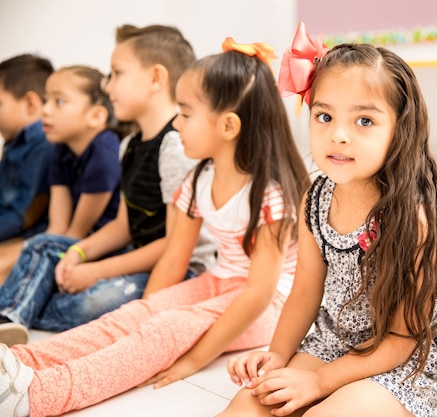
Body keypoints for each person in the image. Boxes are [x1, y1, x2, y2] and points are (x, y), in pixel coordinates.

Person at [0, 36, 310, 417]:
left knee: (168, 330)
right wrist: (148, 311)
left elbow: (258, 294)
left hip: (266, 304)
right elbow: (173, 259)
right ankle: (16, 362)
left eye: (185, 113)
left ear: (228, 125)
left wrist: (193, 358)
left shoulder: (269, 196)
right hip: (219, 280)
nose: (176, 124)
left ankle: (35, 396)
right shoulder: (199, 179)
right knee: (131, 316)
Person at [218, 23, 437, 417]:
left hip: (398, 359)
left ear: (399, 131)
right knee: (249, 406)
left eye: (364, 121)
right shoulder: (316, 198)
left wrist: (318, 382)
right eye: (324, 116)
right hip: (335, 340)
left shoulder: (409, 218)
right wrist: (277, 356)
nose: (338, 135)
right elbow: (303, 294)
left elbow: (403, 338)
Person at [0, 24, 209, 338]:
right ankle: (9, 316)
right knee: (44, 245)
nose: (108, 87)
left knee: (91, 301)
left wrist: (96, 271)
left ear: (156, 78)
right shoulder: (129, 146)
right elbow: (123, 226)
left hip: (179, 268)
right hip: (133, 254)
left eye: (116, 74)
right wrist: (79, 253)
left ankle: (24, 307)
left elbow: (174, 246)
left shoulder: (176, 146)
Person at [0, 65, 125, 294]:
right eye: (46, 100)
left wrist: (17, 262)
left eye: (58, 102)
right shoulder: (60, 148)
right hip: (70, 242)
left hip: (99, 249)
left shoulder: (104, 151)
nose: (45, 110)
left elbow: (77, 233)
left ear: (96, 115)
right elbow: (57, 229)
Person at [0, 54, 55, 275]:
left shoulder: (43, 143)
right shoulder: (14, 143)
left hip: (28, 235)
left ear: (31, 103)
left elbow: (25, 214)